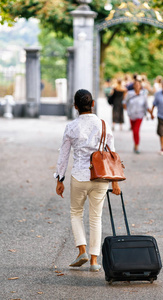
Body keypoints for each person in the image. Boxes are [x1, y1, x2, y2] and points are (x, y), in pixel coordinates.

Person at [54, 89, 120, 272]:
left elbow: (64, 155)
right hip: (101, 177)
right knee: (96, 218)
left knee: (76, 213)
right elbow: (112, 154)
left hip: (79, 177)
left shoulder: (71, 127)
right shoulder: (103, 124)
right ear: (92, 104)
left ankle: (81, 249)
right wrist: (115, 183)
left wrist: (59, 179)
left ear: (75, 106)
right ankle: (93, 261)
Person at [123, 79, 153, 154]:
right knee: (134, 131)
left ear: (140, 86)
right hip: (131, 115)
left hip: (140, 115)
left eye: (138, 84)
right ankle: (135, 144)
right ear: (133, 86)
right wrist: (127, 109)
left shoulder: (143, 95)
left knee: (136, 130)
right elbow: (124, 102)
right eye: (135, 84)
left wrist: (151, 114)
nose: (137, 86)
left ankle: (136, 146)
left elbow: (146, 106)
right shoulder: (129, 94)